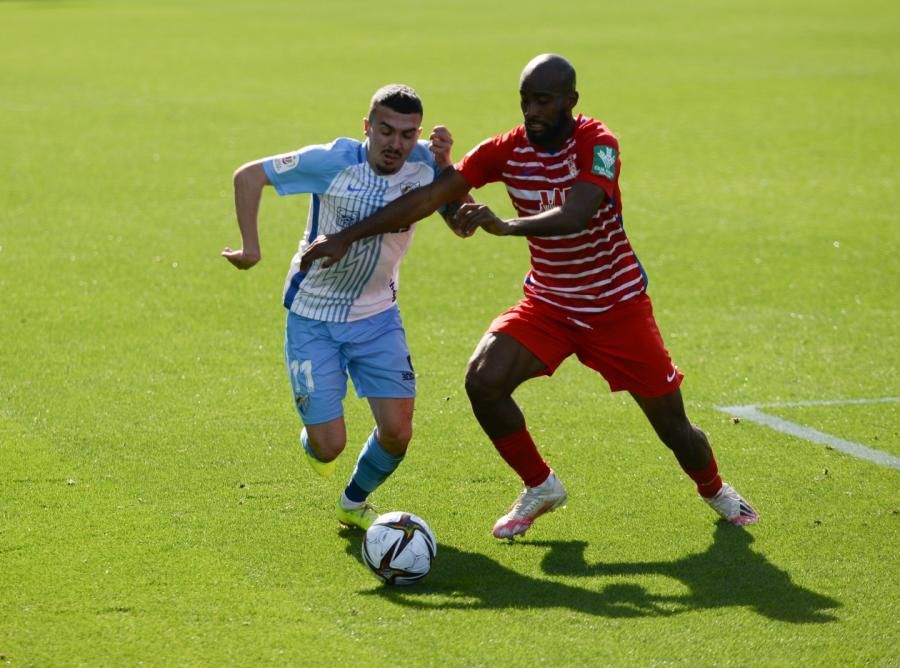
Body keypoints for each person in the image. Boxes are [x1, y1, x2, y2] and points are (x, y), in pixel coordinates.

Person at [300, 55, 760, 538]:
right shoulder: (506, 149)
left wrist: (505, 225)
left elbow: (578, 212)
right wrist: (350, 234)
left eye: (543, 101)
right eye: (526, 100)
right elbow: (430, 202)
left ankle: (714, 489)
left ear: (570, 102)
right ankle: (540, 485)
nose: (532, 111)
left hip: (615, 306)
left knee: (674, 427)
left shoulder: (598, 143)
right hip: (549, 305)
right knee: (483, 381)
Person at [223, 84, 464, 530]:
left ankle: (352, 501)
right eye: (385, 131)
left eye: (408, 135)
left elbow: (461, 224)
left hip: (378, 318)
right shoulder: (332, 162)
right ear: (366, 127)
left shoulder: (425, 165)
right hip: (313, 316)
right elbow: (248, 176)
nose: (396, 144)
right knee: (329, 446)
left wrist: (447, 167)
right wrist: (250, 248)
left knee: (398, 433)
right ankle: (314, 436)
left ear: (420, 134)